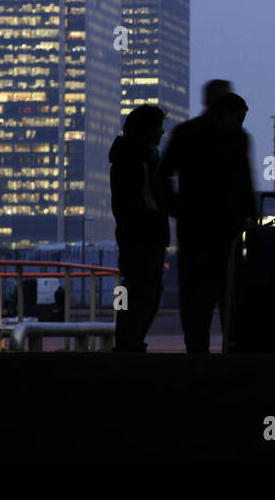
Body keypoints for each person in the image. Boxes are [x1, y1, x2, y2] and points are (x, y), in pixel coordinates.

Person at [160, 90, 257, 353]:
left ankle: (197, 349)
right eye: (238, 118)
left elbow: (163, 174)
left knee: (195, 295)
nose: (240, 124)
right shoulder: (238, 139)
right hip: (227, 229)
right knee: (230, 293)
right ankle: (232, 346)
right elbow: (245, 181)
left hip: (195, 227)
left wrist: (177, 209)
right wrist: (251, 216)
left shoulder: (186, 133)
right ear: (224, 113)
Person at [108, 104, 170, 352]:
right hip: (144, 238)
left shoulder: (131, 158)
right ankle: (129, 341)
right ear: (147, 130)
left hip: (135, 237)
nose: (162, 133)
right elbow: (143, 202)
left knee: (133, 289)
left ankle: (128, 339)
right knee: (142, 291)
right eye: (158, 127)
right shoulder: (139, 162)